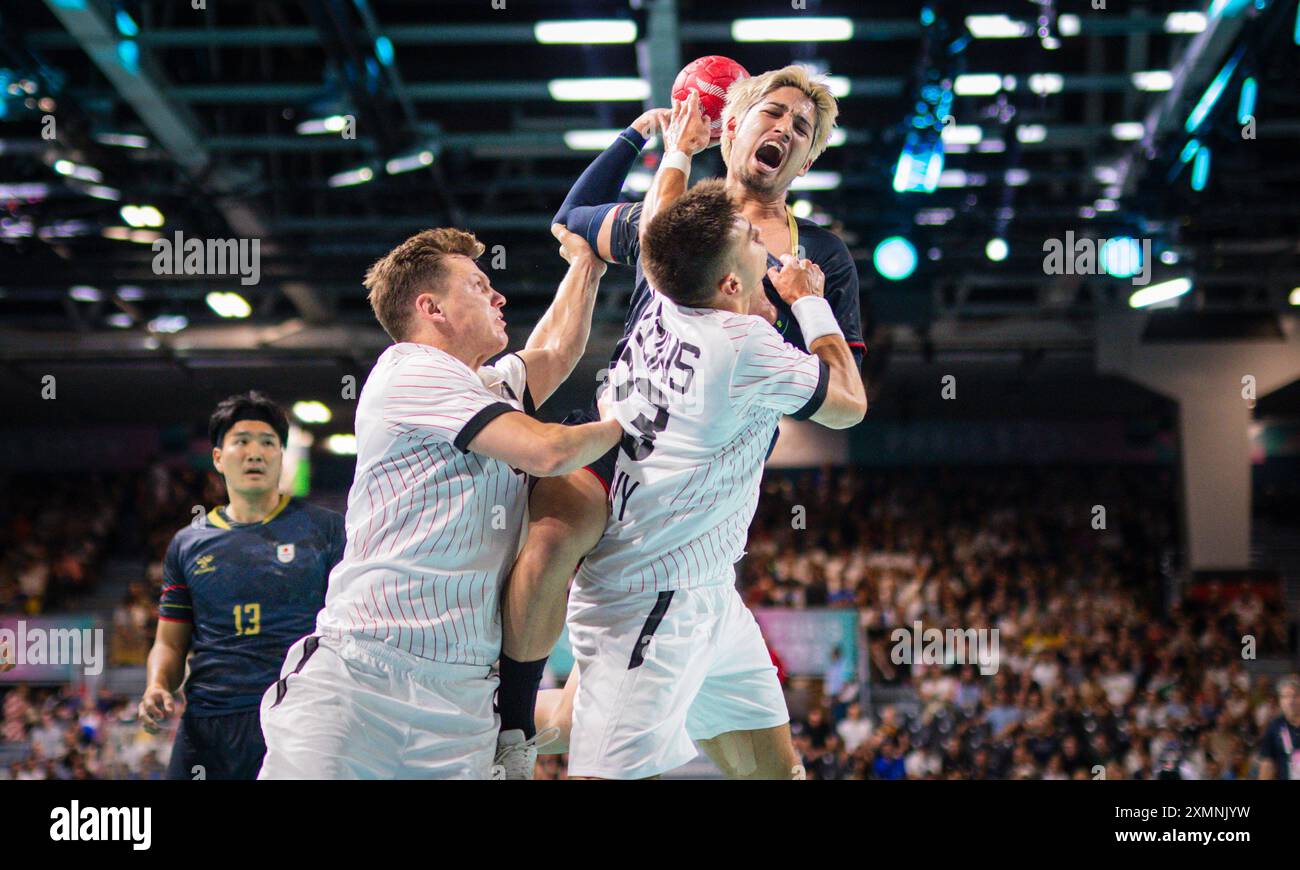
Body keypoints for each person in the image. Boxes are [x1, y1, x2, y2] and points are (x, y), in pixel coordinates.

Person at [500, 65, 866, 760]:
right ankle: (509, 716)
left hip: (710, 479)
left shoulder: (817, 253)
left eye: (803, 127)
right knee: (552, 535)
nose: (784, 129)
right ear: (732, 124)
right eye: (772, 113)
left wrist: (664, 147)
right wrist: (644, 135)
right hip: (628, 438)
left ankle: (491, 725)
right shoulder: (683, 225)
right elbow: (572, 218)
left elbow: (841, 390)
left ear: (811, 158)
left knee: (587, 712)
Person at [257, 224, 622, 780]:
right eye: (478, 286)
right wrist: (633, 422)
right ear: (432, 308)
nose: (499, 296)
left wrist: (587, 263)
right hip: (360, 683)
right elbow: (548, 452)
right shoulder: (410, 371)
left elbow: (555, 348)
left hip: (463, 699)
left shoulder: (484, 387)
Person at [137, 392, 345, 780]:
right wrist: (157, 685)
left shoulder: (327, 530)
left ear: (281, 457)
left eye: (268, 443)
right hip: (207, 725)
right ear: (218, 457)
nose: (256, 453)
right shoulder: (187, 543)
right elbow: (169, 642)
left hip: (296, 718)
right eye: (242, 441)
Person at [1256, 675, 1300, 779]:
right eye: (1285, 696)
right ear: (1280, 701)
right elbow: (1267, 766)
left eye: (1295, 696)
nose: (1290, 701)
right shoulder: (1274, 728)